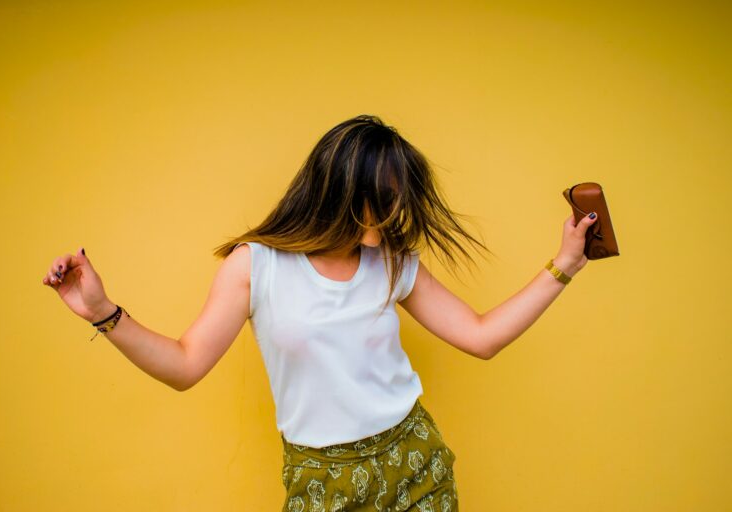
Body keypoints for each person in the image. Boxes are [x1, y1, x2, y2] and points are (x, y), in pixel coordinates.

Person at [41, 114, 598, 511]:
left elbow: (482, 336)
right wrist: (104, 313)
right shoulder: (255, 266)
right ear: (339, 192)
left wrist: (565, 265)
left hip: (414, 463)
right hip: (321, 480)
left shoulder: (392, 262)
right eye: (388, 195)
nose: (399, 208)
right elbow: (186, 366)